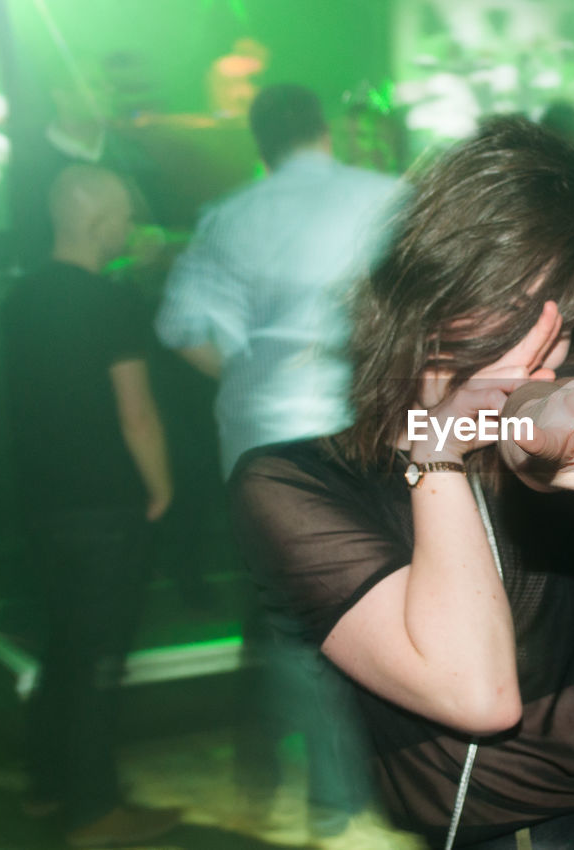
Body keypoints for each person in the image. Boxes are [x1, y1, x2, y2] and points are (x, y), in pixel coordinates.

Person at [231, 116, 574, 850]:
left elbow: (568, 457)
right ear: (436, 288)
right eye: (519, 307)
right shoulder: (292, 487)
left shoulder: (553, 437)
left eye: (566, 319)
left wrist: (537, 455)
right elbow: (478, 693)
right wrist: (436, 452)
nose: (550, 346)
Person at [155, 83, 402, 841]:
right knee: (387, 597)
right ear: (324, 130)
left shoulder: (231, 217)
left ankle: (332, 796)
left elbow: (183, 330)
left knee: (296, 623)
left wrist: (253, 374)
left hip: (265, 441)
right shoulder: (390, 198)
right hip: (364, 434)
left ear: (258, 142)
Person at [4, 164, 180, 847]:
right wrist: (162, 487)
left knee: (64, 648)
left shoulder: (21, 297)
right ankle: (94, 810)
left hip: (43, 500)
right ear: (96, 221)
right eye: (121, 217)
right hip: (106, 502)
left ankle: (47, 787)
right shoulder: (111, 304)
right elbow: (136, 414)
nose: (130, 228)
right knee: (97, 664)